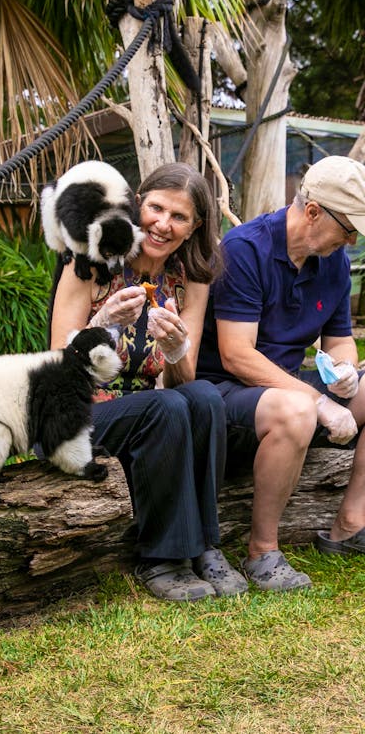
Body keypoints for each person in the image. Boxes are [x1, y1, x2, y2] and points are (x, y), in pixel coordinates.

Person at [50, 162, 249, 601]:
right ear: (137, 204)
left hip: (149, 412)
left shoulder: (191, 277)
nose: (163, 224)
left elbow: (183, 379)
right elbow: (59, 369)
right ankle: (162, 557)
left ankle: (206, 546)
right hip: (77, 413)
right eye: (156, 208)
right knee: (165, 406)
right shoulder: (91, 259)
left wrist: (176, 349)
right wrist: (102, 323)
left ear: (195, 227)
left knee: (203, 396)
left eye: (179, 217)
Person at [197, 155, 365, 591]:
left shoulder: (332, 261)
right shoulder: (244, 249)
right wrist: (321, 401)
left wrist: (345, 369)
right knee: (298, 410)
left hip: (285, 385)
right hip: (225, 391)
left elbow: (340, 340)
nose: (351, 241)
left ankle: (350, 524)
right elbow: (237, 356)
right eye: (348, 229)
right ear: (313, 212)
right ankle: (262, 551)